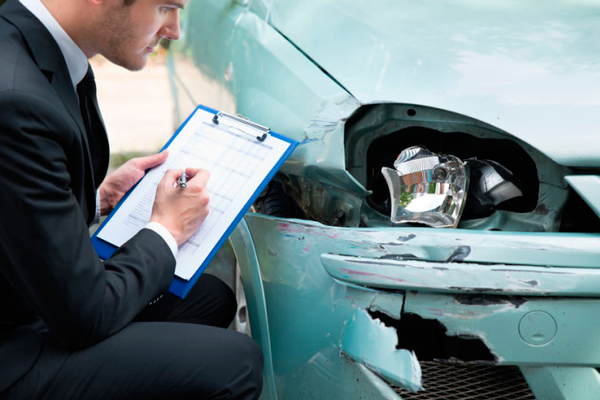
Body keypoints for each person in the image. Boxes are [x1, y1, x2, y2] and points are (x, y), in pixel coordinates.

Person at [0, 0, 264, 398]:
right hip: (10, 350)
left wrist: (97, 200)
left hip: (22, 300)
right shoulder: (17, 100)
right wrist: (166, 229)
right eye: (164, 8)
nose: (174, 30)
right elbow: (85, 318)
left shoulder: (32, 47)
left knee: (207, 297)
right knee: (235, 363)